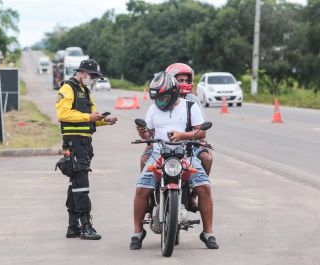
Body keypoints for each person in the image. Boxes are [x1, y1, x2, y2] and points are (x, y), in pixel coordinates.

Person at [130, 71, 219, 250]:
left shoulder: (189, 106)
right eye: (157, 98)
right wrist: (143, 132)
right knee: (141, 189)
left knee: (204, 187)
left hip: (186, 155)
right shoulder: (153, 108)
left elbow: (201, 132)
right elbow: (149, 133)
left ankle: (208, 233)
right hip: (158, 155)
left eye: (163, 97)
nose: (160, 101)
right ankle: (137, 232)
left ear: (173, 93)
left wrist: (182, 135)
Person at [56, 59, 117, 240]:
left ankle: (73, 226)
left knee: (75, 184)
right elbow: (63, 114)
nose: (94, 79)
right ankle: (86, 227)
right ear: (82, 73)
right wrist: (88, 116)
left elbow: (89, 118)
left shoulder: (86, 91)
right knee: (81, 185)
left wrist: (102, 120)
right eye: (92, 76)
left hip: (84, 143)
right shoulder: (67, 89)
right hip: (73, 143)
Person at [139, 63, 213, 176]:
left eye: (186, 80)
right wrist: (146, 135)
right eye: (180, 80)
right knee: (144, 160)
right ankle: (147, 188)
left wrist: (197, 139)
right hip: (162, 146)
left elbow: (201, 128)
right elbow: (151, 129)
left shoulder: (193, 101)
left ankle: (195, 190)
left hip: (190, 144)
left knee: (207, 159)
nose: (184, 83)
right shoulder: (159, 101)